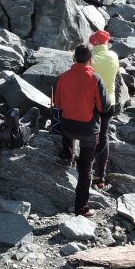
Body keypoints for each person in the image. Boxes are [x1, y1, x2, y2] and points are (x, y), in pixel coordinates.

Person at [55, 44, 112, 217]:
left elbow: (57, 103)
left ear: (74, 58)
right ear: (90, 59)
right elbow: (104, 108)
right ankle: (81, 209)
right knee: (86, 170)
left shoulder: (63, 77)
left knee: (68, 129)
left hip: (67, 127)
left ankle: (67, 155)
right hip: (87, 130)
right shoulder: (95, 78)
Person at [89, 30, 119, 189]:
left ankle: (86, 169)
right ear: (106, 42)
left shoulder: (91, 59)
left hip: (93, 103)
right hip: (110, 102)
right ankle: (100, 176)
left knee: (91, 135)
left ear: (93, 43)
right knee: (104, 136)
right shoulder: (114, 56)